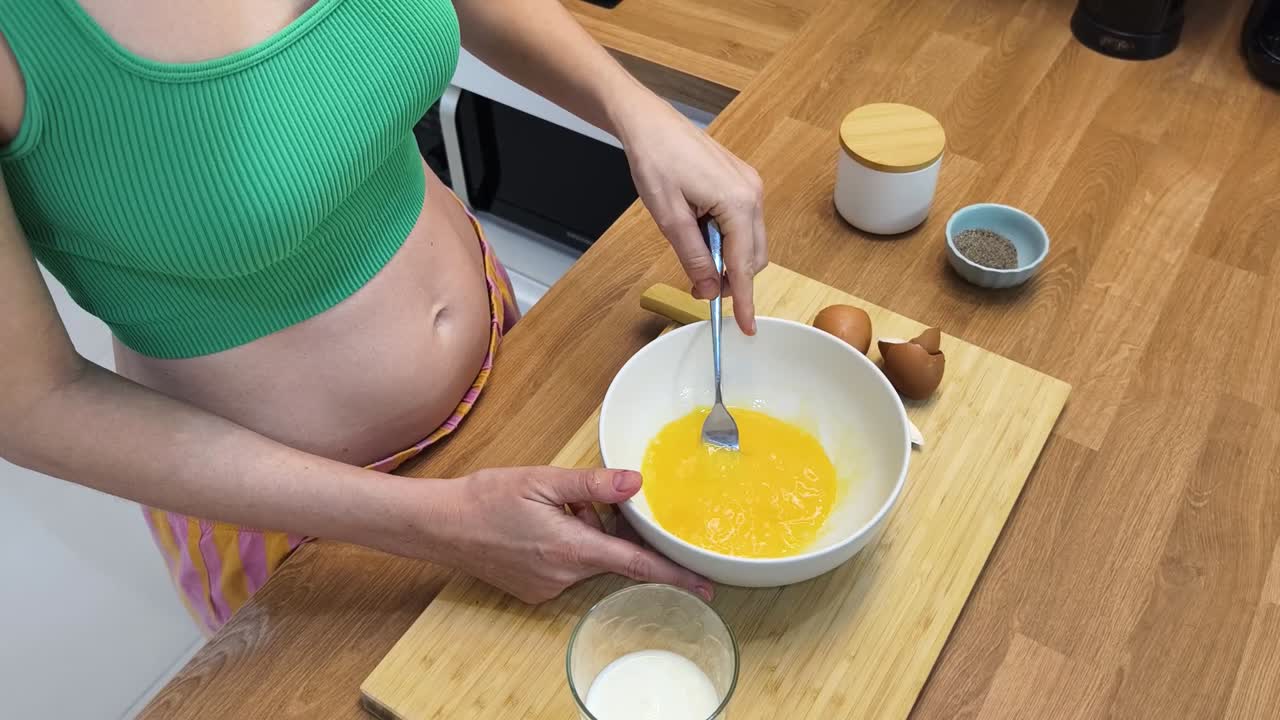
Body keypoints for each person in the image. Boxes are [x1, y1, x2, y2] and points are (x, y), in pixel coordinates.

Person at [0, 0, 767, 636]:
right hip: (303, 521)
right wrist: (441, 522)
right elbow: (31, 405)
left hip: (507, 357)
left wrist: (633, 107)